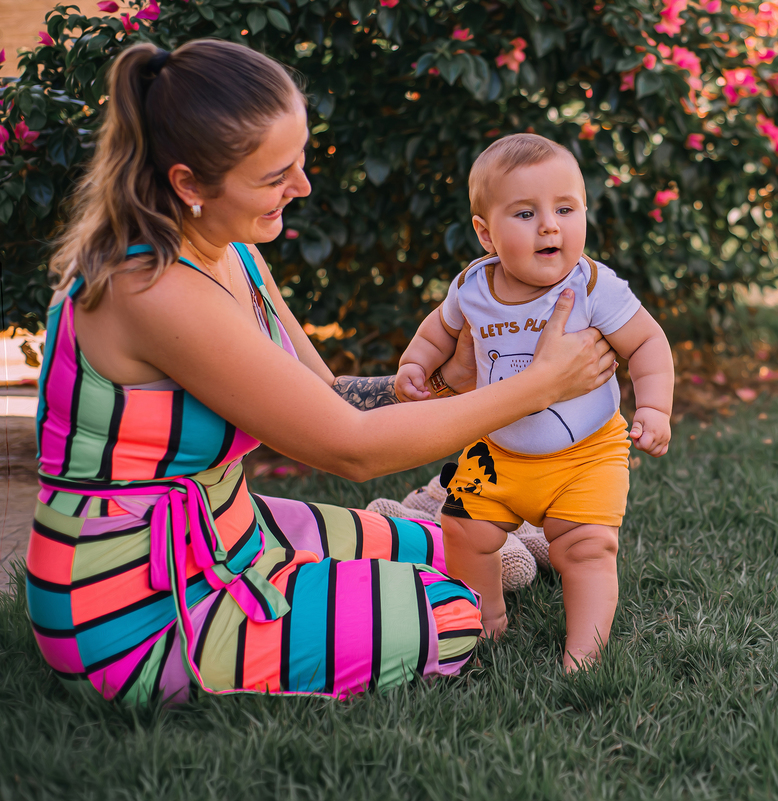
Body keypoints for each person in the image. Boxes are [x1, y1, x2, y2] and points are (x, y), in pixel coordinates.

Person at [25, 40, 616, 706]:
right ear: (189, 184)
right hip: (132, 601)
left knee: (452, 546)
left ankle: (379, 550)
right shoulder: (151, 289)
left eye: (300, 160)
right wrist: (538, 387)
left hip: (229, 530)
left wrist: (445, 384)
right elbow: (349, 449)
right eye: (275, 175)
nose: (302, 186)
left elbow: (328, 398)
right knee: (453, 610)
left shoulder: (230, 248)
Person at [395, 134, 675, 671]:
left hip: (587, 455)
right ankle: (486, 622)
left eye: (565, 209)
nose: (550, 226)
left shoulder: (592, 285)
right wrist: (415, 363)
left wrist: (654, 409)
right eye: (526, 213)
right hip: (497, 452)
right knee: (462, 530)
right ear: (486, 233)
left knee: (586, 548)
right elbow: (438, 331)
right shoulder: (473, 286)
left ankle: (584, 655)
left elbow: (647, 342)